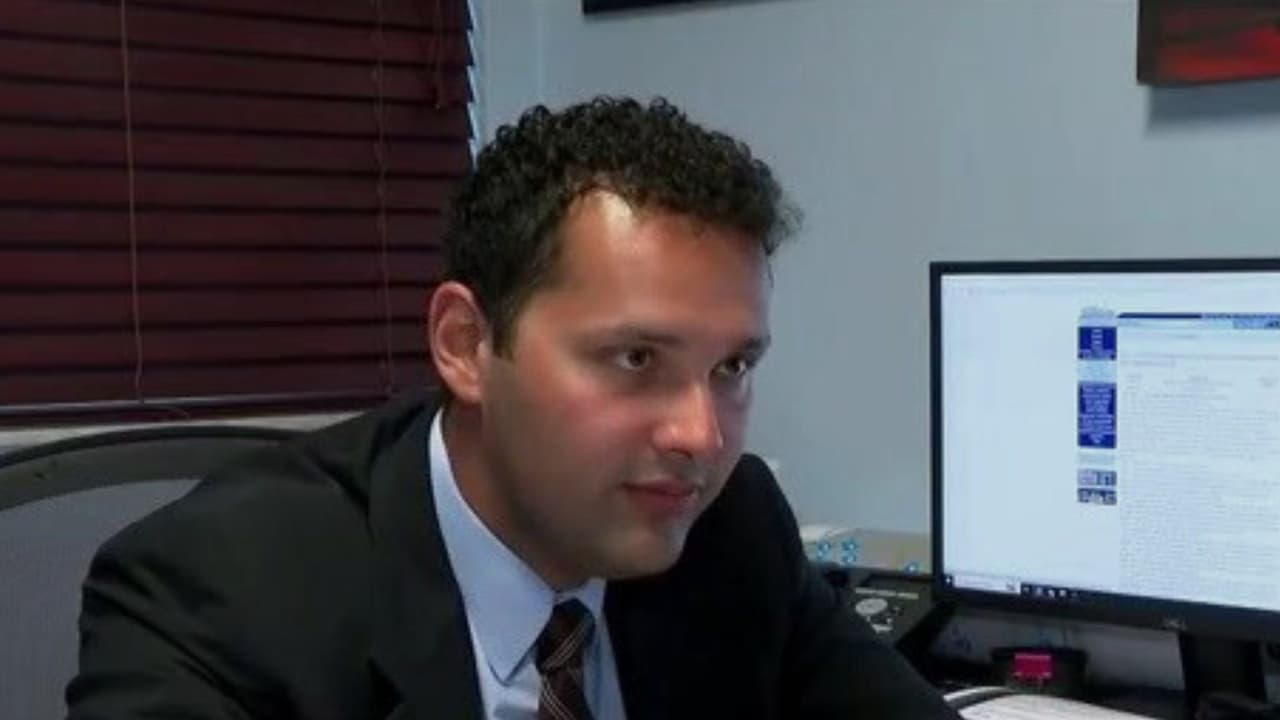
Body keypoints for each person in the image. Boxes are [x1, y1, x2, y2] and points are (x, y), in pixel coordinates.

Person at [67, 97, 959, 719]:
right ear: (465, 345)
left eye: (731, 366)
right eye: (635, 359)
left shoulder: (731, 532)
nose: (700, 434)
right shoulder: (224, 591)